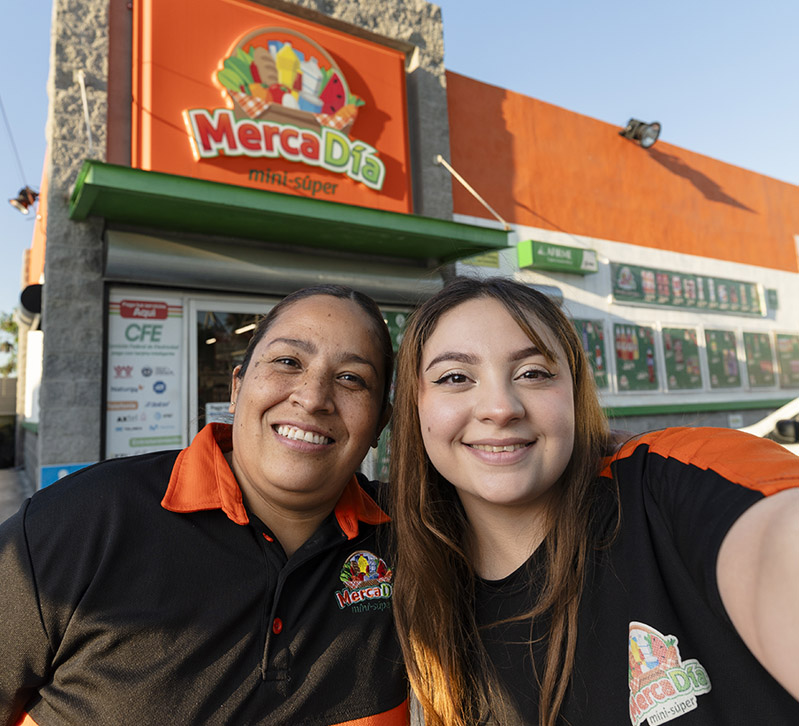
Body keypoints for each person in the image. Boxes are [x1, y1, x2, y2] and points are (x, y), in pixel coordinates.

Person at [389, 276, 799, 726]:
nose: (500, 408)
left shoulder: (669, 482)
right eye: (455, 377)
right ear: (415, 406)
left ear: (574, 390)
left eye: (533, 373)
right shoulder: (415, 581)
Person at [0, 285, 408, 725]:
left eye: (351, 379)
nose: (312, 398)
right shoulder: (81, 521)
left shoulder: (411, 539)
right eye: (288, 362)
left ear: (380, 423)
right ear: (237, 387)